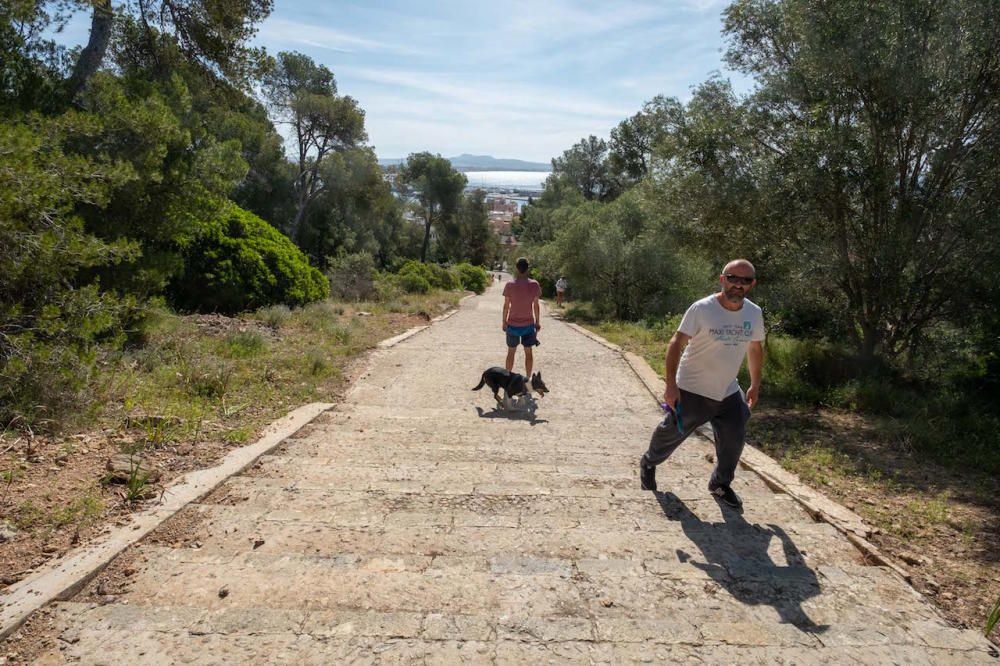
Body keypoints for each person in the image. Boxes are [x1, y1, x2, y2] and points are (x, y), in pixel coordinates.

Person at [639, 259, 764, 510]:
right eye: (733, 278)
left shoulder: (753, 312)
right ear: (722, 279)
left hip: (728, 389)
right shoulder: (702, 308)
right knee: (672, 432)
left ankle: (720, 484)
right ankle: (649, 461)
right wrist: (671, 385)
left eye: (745, 280)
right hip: (692, 388)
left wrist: (754, 384)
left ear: (752, 284)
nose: (738, 285)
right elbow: (676, 343)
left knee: (734, 435)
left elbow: (754, 347)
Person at [502, 257, 542, 378]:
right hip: (528, 325)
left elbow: (506, 306)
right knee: (528, 352)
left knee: (511, 352)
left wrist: (504, 322)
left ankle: (508, 380)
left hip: (512, 325)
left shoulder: (509, 285)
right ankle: (528, 381)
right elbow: (536, 305)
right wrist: (537, 322)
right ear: (528, 268)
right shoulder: (534, 284)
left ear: (516, 268)